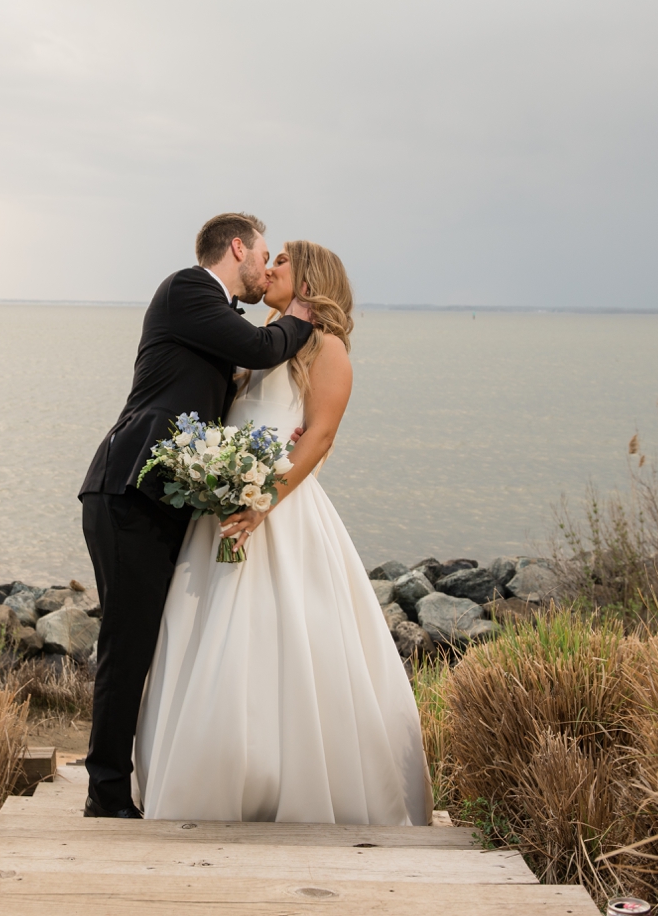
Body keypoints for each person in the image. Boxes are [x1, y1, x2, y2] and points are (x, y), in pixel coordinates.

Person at [134, 239, 431, 825]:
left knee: (289, 639)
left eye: (281, 262)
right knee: (204, 637)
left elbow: (318, 436)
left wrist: (263, 501)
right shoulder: (262, 345)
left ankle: (289, 785)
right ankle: (208, 775)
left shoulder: (329, 347)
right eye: (268, 260)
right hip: (226, 513)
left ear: (311, 277)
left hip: (279, 514)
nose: (268, 270)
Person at [78, 212, 314, 818]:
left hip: (158, 500)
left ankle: (137, 779)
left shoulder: (211, 315)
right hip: (127, 491)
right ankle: (105, 795)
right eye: (263, 254)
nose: (266, 267)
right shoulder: (187, 289)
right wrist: (307, 313)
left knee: (152, 641)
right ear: (237, 248)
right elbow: (264, 345)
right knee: (128, 644)